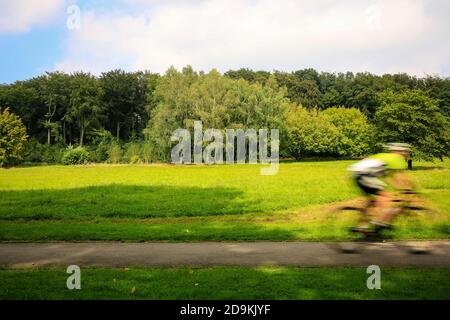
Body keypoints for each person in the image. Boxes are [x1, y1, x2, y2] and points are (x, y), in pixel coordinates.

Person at [348, 143, 414, 233]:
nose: (406, 154)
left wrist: (401, 188)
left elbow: (392, 178)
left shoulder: (386, 156)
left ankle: (362, 225)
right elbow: (399, 177)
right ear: (399, 152)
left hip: (357, 174)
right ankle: (379, 221)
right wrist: (407, 189)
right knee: (386, 196)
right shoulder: (396, 158)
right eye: (405, 152)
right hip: (364, 174)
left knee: (371, 201)